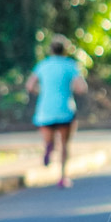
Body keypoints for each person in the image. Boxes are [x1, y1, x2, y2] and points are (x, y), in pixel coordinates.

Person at [26, 35, 89, 188]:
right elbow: (82, 87)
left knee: (49, 140)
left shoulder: (42, 65)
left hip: (45, 110)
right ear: (66, 50)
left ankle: (49, 147)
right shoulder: (70, 65)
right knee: (65, 145)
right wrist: (70, 88)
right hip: (65, 110)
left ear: (50, 50)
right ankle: (62, 177)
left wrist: (41, 90)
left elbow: (29, 85)